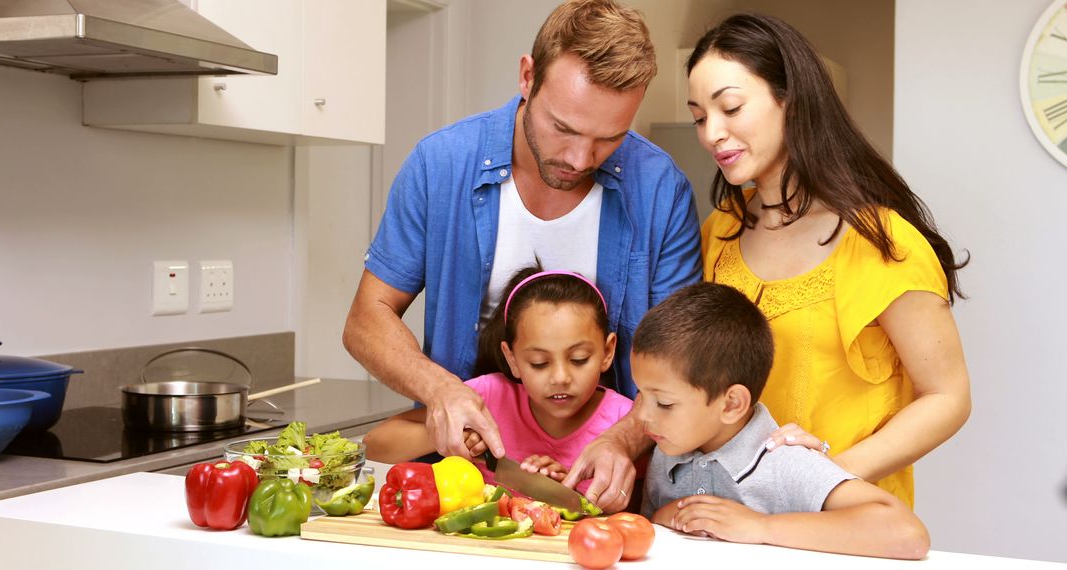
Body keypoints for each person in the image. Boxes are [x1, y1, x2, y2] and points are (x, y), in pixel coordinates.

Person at [342, 0, 701, 504]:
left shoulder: (662, 191)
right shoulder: (441, 163)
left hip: (607, 501)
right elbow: (366, 319)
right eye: (565, 128)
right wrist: (443, 392)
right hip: (454, 487)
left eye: (609, 139)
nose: (581, 159)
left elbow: (683, 370)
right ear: (527, 77)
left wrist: (620, 440)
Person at [687, 13, 971, 507]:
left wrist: (827, 471)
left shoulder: (882, 242)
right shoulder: (721, 229)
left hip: (845, 521)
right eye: (698, 117)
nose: (712, 132)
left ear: (791, 101)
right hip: (734, 519)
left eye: (730, 107)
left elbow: (948, 398)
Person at [633, 282, 930, 560]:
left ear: (732, 404)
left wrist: (761, 526)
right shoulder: (668, 452)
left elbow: (908, 534)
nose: (643, 416)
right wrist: (663, 517)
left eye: (664, 403)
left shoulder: (783, 460)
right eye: (640, 394)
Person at [363, 267, 633, 495]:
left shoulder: (625, 422)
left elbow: (639, 510)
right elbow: (375, 445)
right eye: (539, 363)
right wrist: (453, 436)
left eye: (579, 359)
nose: (560, 378)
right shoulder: (488, 398)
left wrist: (568, 494)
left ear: (607, 352)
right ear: (512, 359)